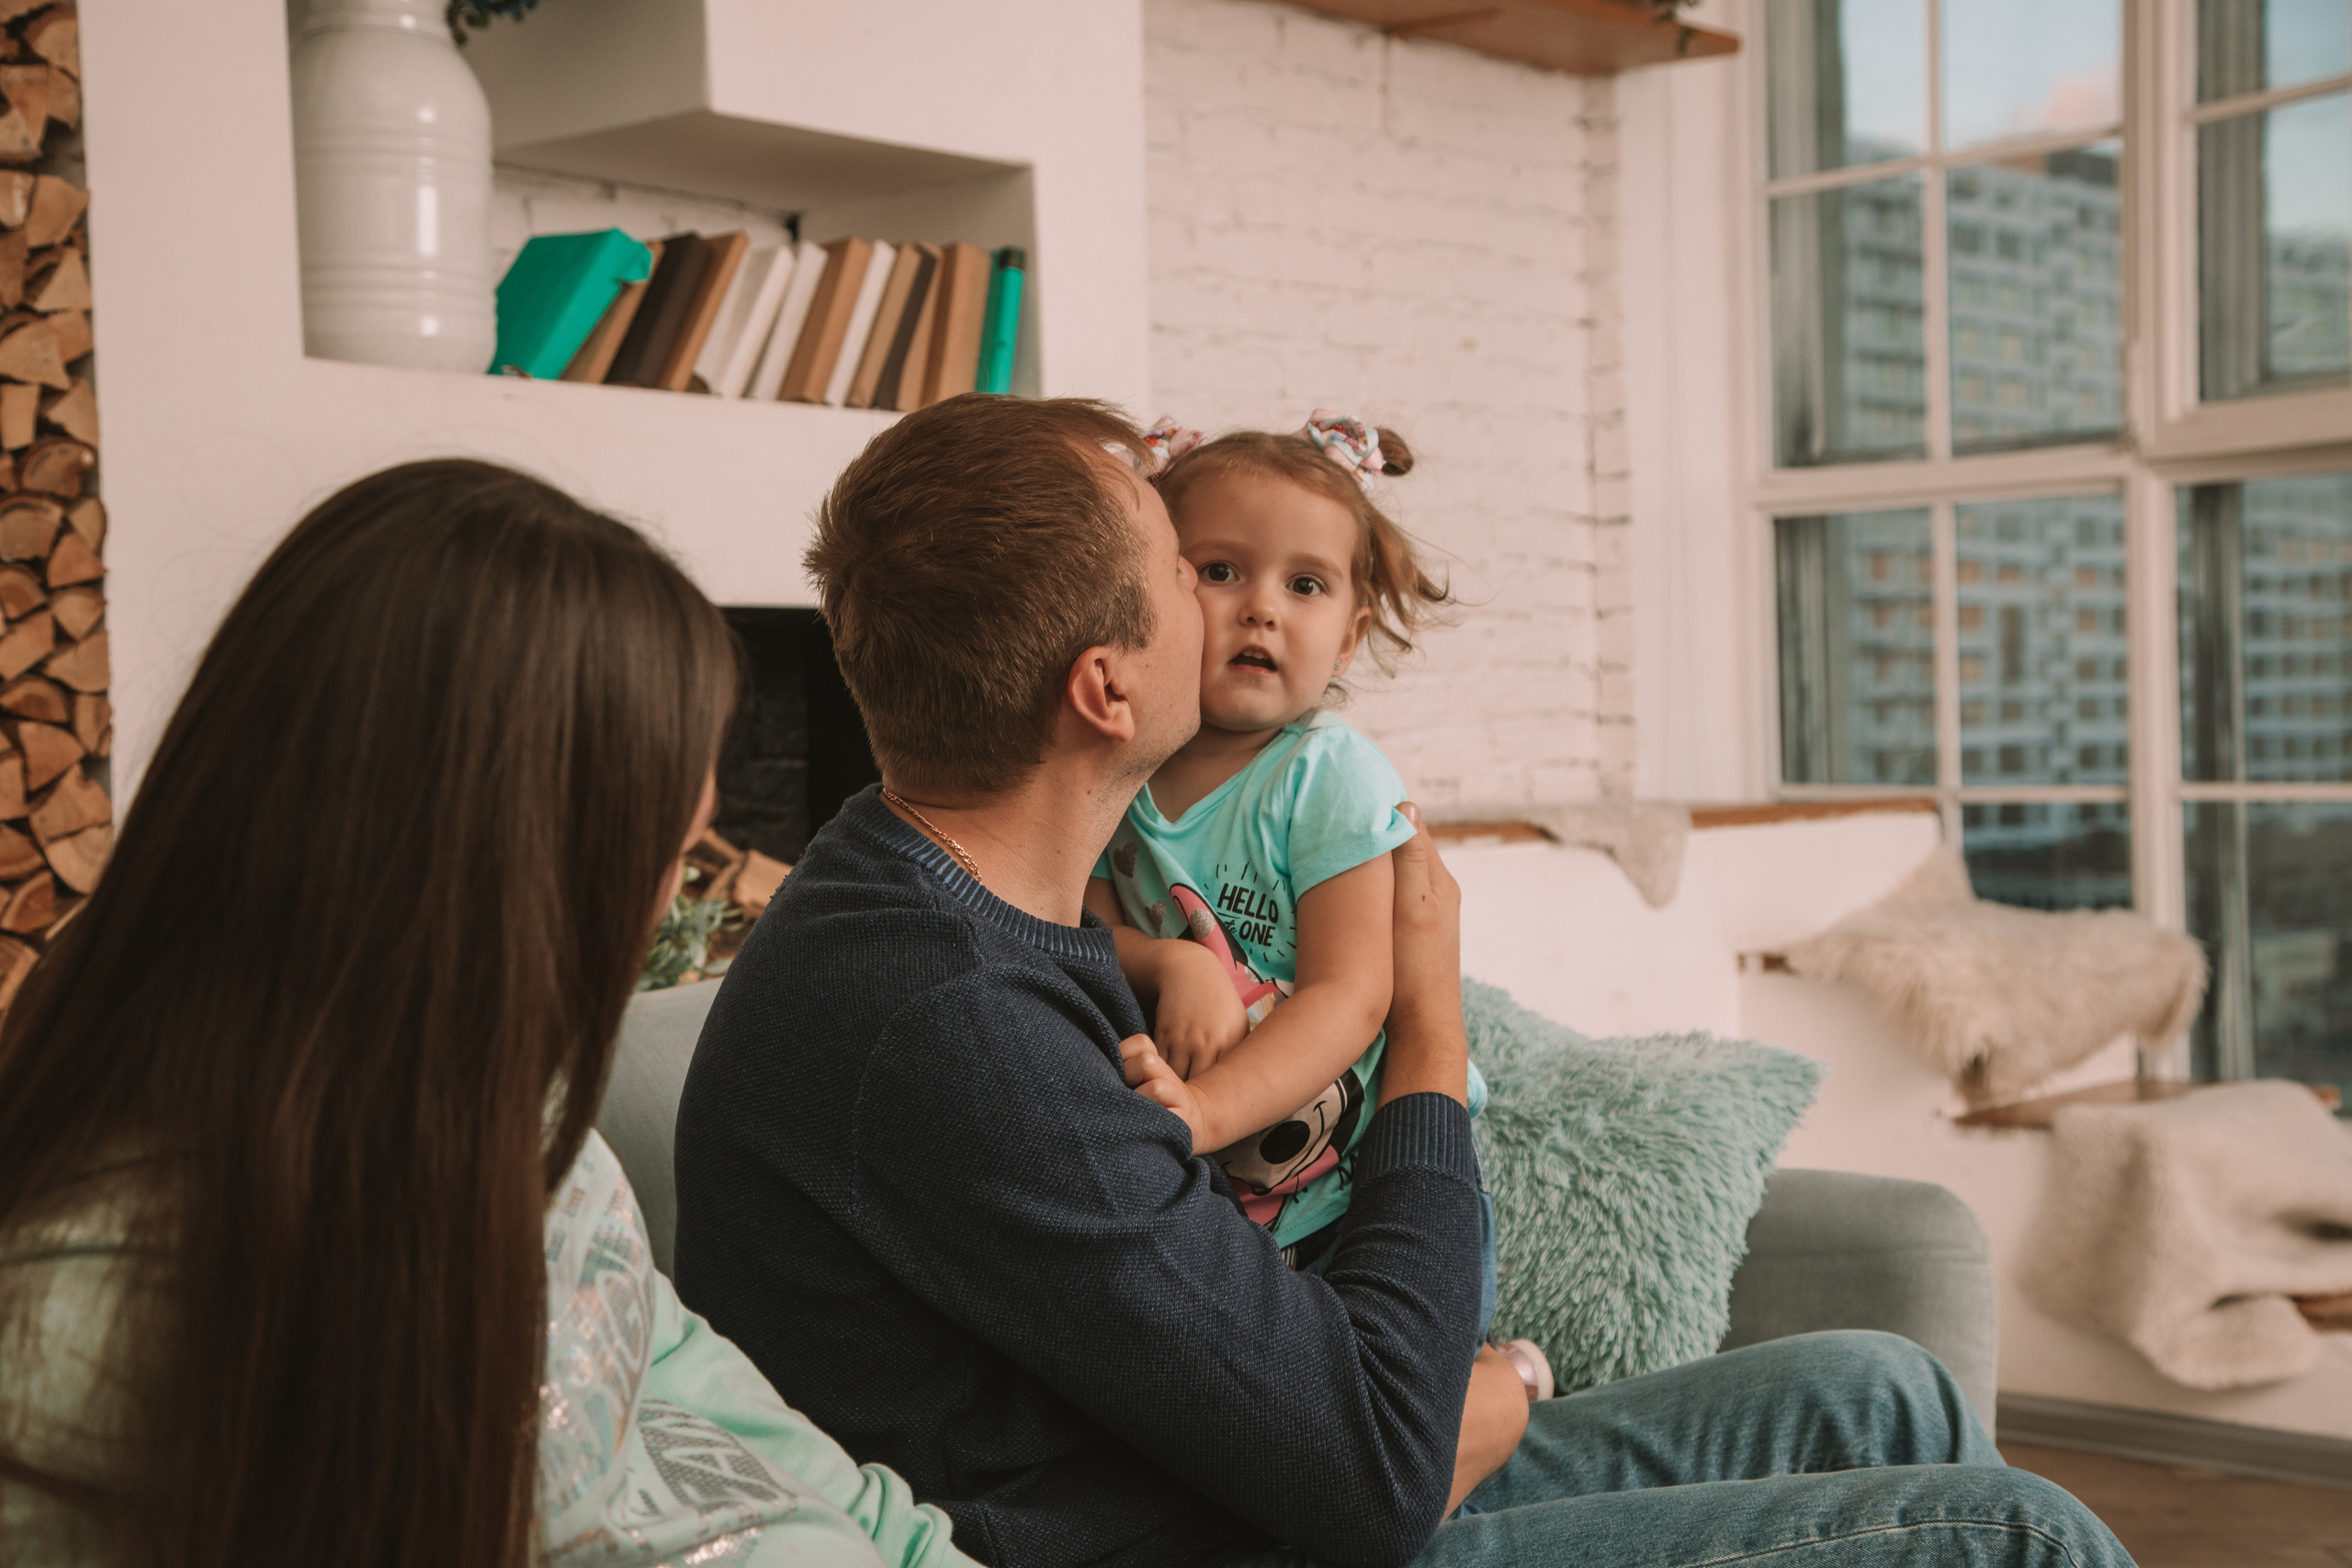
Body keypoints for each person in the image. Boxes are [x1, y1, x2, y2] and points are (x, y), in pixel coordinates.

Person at [673, 394, 2135, 1568]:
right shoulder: (952, 1023)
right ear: (1107, 689)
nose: (1228, 597)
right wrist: (1427, 1025)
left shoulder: (918, 881)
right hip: (1229, 1529)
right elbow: (1374, 1479)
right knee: (2018, 1532)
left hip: (1242, 1468)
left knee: (1887, 1389)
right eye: (1185, 570)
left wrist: (1451, 1412)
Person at [0, 460, 979, 1568]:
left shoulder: (525, 1106)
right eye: (663, 849)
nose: (673, 889)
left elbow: (682, 1369)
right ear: (510, 860)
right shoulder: (77, 1346)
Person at [1084, 411, 1541, 1393]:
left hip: (1361, 1201)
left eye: (1305, 585)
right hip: (1232, 1209)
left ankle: (1499, 1388)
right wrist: (1169, 962)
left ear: (1349, 633)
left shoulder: (1328, 777)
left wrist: (1203, 1112)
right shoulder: (1121, 768)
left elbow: (1350, 997)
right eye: (1220, 572)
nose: (1262, 610)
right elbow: (1081, 930)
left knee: (1399, 1427)